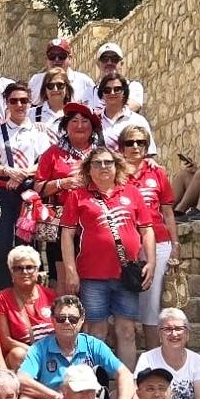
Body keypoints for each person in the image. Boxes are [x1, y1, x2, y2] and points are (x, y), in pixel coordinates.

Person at [60, 145, 157, 362]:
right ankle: (97, 380)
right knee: (96, 332)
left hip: (126, 274)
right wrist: (70, 270)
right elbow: (66, 235)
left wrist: (151, 261)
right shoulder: (77, 196)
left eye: (108, 162)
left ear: (116, 166)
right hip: (92, 275)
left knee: (127, 331)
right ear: (89, 169)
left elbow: (147, 229)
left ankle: (127, 380)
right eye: (97, 163)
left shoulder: (132, 192)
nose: (103, 167)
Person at [0, 82, 53, 290]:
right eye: (14, 101)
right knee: (1, 243)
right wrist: (8, 171)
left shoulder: (39, 132)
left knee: (27, 243)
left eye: (23, 100)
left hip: (28, 194)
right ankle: (3, 291)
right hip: (3, 192)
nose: (19, 105)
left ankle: (27, 291)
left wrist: (23, 173)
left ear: (30, 103)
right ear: (7, 103)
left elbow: (45, 164)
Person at [17, 293, 134, 399]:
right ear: (53, 320)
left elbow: (124, 374)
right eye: (61, 318)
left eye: (73, 319)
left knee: (130, 393)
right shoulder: (39, 348)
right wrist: (58, 398)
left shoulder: (93, 345)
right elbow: (21, 379)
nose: (67, 322)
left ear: (82, 320)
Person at [119, 117, 177, 342]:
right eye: (130, 143)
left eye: (141, 143)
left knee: (152, 302)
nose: (135, 147)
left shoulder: (157, 173)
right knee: (123, 299)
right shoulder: (114, 173)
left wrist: (175, 244)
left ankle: (152, 354)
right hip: (125, 244)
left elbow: (168, 212)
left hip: (159, 241)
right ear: (122, 147)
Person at [34, 102, 99, 278]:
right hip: (61, 223)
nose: (79, 126)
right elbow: (38, 188)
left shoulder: (101, 154)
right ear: (66, 126)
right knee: (62, 279)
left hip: (93, 221)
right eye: (74, 121)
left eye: (85, 121)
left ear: (92, 127)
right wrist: (62, 183)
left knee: (92, 273)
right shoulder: (53, 153)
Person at [134, 307, 200, 399]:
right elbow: (137, 394)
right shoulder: (147, 358)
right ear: (160, 335)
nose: (174, 333)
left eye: (179, 329)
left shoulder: (198, 361)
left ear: (187, 334)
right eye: (167, 329)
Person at [0, 246, 56, 365]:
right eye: (18, 268)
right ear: (11, 272)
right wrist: (37, 353)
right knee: (18, 354)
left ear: (37, 270)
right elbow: (6, 341)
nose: (24, 272)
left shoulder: (51, 295)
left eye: (29, 267)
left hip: (53, 353)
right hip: (25, 355)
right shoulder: (2, 299)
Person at [93, 76, 155, 154]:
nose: (112, 93)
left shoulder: (138, 120)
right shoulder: (93, 121)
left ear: (124, 93)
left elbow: (148, 153)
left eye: (117, 89)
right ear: (102, 95)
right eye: (107, 90)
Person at [27, 37, 94, 109]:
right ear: (46, 59)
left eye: (62, 56)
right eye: (52, 56)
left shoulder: (84, 82)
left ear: (70, 58)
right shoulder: (35, 81)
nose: (57, 60)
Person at [92, 42, 145, 112]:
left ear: (121, 64)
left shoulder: (133, 87)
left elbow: (133, 106)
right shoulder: (91, 92)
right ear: (98, 64)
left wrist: (98, 113)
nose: (109, 63)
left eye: (114, 59)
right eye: (105, 59)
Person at [32, 65, 75, 138]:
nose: (55, 89)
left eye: (60, 85)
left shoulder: (75, 114)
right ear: (45, 89)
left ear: (67, 88)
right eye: (50, 86)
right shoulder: (31, 114)